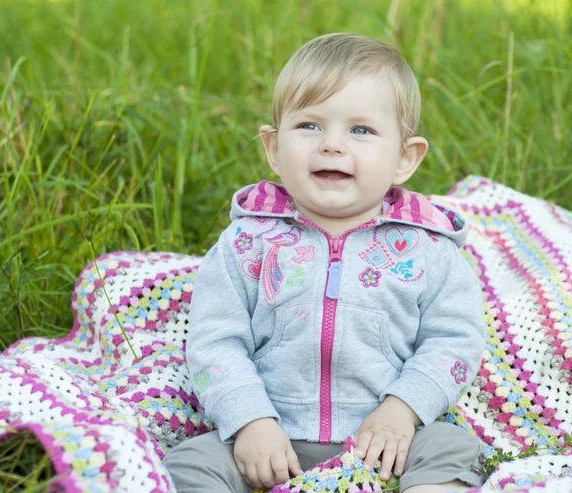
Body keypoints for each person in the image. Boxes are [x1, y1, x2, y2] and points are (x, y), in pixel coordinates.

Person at [163, 33, 486, 493]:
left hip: (386, 439)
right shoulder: (247, 242)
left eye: (361, 130)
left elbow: (455, 340)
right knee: (192, 461)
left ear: (404, 158)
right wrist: (250, 420)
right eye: (310, 126)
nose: (332, 145)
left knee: (451, 447)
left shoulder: (428, 250)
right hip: (272, 440)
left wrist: (403, 409)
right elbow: (215, 342)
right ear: (273, 148)